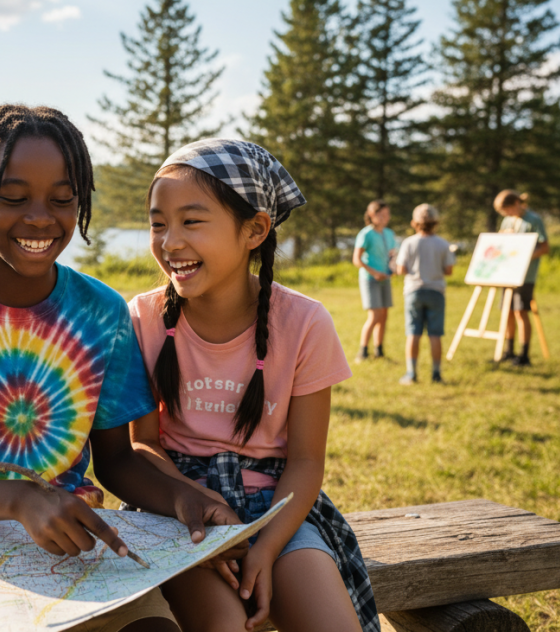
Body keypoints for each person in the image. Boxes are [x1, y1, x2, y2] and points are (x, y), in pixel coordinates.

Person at [0, 105, 243, 632]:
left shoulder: (101, 312)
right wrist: (21, 499)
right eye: (14, 197)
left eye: (62, 199)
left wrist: (183, 498)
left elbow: (117, 461)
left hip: (78, 536)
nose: (41, 217)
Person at [128, 139, 377, 632]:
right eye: (158, 224)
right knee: (223, 624)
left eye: (191, 221)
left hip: (276, 510)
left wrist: (265, 548)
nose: (170, 242)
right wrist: (201, 508)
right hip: (178, 510)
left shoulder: (304, 322)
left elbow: (306, 461)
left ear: (255, 230)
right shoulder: (142, 318)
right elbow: (143, 445)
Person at [395, 204, 455, 385]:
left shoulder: (409, 243)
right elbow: (449, 270)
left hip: (414, 291)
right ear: (436, 223)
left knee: (413, 332)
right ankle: (436, 374)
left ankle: (411, 373)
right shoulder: (443, 244)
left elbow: (401, 269)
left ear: (414, 223)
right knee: (435, 334)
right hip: (436, 291)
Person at [495, 190, 550, 367]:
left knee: (520, 312)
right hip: (507, 273)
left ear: (517, 203)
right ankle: (508, 351)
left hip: (525, 275)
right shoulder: (507, 221)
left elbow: (544, 247)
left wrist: (525, 256)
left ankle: (524, 354)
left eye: (508, 210)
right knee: (507, 312)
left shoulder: (533, 220)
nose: (508, 214)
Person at [352, 199, 396, 362]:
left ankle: (379, 351)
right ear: (372, 215)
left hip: (385, 279)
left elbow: (392, 255)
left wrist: (394, 268)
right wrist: (375, 273)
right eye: (382, 214)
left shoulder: (389, 234)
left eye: (387, 214)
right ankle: (362, 351)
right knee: (375, 315)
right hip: (370, 280)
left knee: (384, 315)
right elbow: (356, 260)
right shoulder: (366, 234)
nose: (386, 217)